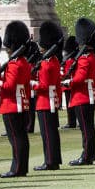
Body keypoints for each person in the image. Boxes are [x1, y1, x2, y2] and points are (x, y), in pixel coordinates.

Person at [0, 21, 32, 178]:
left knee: (16, 138)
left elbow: (9, 86)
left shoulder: (14, 64)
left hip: (11, 104)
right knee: (21, 137)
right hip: (21, 103)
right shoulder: (23, 62)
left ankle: (17, 168)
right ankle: (21, 167)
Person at [67, 18, 95, 165]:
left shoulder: (85, 59)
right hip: (87, 95)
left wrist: (67, 81)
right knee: (88, 129)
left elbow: (79, 78)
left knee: (86, 129)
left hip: (82, 96)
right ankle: (89, 155)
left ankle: (86, 156)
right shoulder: (91, 57)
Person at [33, 20, 63, 171]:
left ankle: (50, 161)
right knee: (52, 132)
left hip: (45, 101)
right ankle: (54, 160)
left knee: (47, 133)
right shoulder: (54, 60)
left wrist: (32, 84)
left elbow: (43, 85)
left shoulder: (46, 63)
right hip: (52, 100)